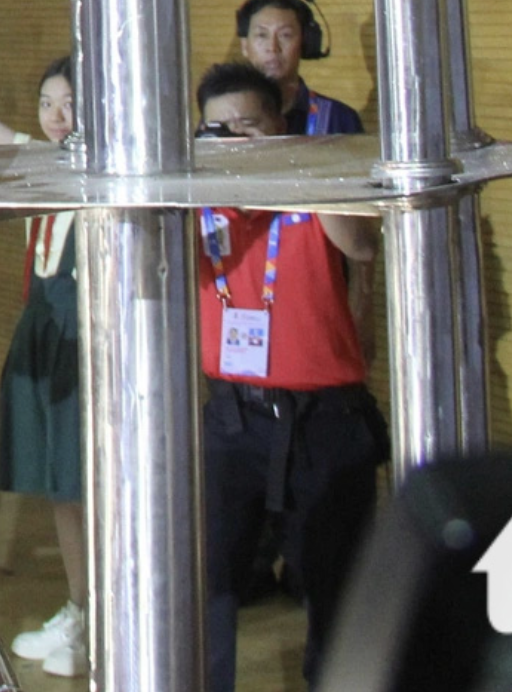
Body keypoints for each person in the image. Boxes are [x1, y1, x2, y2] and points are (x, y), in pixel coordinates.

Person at [192, 61, 385, 692]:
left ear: (282, 125)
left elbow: (360, 245)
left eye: (249, 126)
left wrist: (300, 173)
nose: (234, 141)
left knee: (335, 583)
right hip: (232, 416)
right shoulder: (196, 205)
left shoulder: (316, 187)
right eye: (219, 129)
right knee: (212, 579)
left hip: (325, 418)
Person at [3, 60, 90, 677]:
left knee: (90, 483)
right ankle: (79, 606)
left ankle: (108, 618)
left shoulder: (101, 176)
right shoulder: (40, 161)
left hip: (83, 335)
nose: (56, 118)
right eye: (46, 104)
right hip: (42, 328)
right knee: (61, 486)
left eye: (69, 104)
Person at [236, 0, 361, 135]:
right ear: (245, 46)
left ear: (305, 43)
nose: (273, 47)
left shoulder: (339, 118)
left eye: (286, 35)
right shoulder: (226, 117)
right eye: (262, 35)